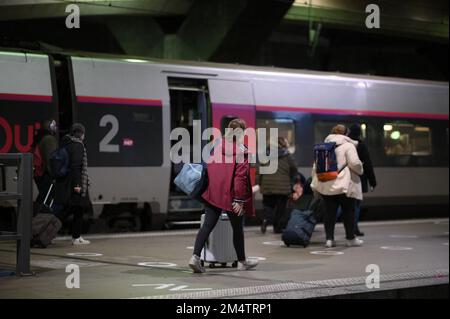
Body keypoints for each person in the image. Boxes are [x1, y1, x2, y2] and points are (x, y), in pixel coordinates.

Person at [188, 118, 258, 273]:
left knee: (207, 226)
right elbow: (240, 178)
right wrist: (239, 200)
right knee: (237, 229)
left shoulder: (217, 146)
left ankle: (195, 257)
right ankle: (242, 261)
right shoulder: (242, 151)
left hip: (214, 192)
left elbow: (210, 167)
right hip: (232, 197)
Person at [311, 124, 364, 248]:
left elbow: (316, 166)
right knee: (348, 213)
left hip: (327, 185)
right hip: (344, 185)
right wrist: (360, 170)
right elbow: (355, 163)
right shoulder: (348, 145)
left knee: (329, 213)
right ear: (346, 134)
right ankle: (350, 239)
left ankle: (329, 239)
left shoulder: (323, 147)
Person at [54, 123, 91, 245]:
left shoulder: (67, 143)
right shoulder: (78, 145)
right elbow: (76, 168)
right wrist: (78, 186)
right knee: (72, 209)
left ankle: (77, 236)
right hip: (74, 184)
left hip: (68, 183)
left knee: (77, 209)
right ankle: (73, 237)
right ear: (81, 133)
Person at [337, 124, 377, 236]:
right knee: (356, 206)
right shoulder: (360, 145)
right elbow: (368, 164)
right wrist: (372, 182)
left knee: (341, 204)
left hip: (343, 178)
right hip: (358, 179)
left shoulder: (344, 143)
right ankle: (353, 229)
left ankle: (332, 225)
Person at [257, 137, 298, 234]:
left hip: (267, 185)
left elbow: (260, 171)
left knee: (267, 205)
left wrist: (260, 183)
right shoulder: (287, 155)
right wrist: (291, 179)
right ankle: (277, 227)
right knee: (280, 208)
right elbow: (294, 168)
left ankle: (264, 221)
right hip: (283, 186)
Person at [32, 119, 58, 213]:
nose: (56, 128)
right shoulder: (49, 139)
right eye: (54, 126)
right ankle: (39, 220)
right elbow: (51, 159)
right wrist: (55, 174)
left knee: (43, 197)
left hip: (40, 173)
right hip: (45, 175)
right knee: (46, 199)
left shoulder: (41, 138)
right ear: (50, 127)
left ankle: (35, 218)